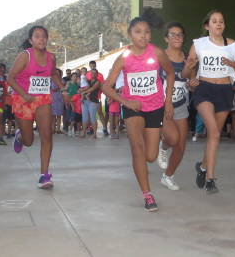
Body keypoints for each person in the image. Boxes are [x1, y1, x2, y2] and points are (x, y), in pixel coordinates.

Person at [102, 13, 175, 212]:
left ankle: (154, 153)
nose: (143, 36)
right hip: (132, 108)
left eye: (147, 32)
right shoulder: (124, 58)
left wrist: (168, 100)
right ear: (130, 35)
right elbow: (106, 87)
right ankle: (147, 195)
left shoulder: (157, 53)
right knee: (137, 148)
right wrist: (126, 101)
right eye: (138, 32)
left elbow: (169, 73)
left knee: (150, 156)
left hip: (155, 107)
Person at [182, 10, 235, 194]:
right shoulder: (199, 44)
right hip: (204, 89)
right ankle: (210, 179)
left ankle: (202, 167)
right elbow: (186, 74)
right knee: (215, 133)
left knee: (214, 135)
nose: (218, 24)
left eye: (221, 21)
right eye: (214, 21)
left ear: (224, 25)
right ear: (207, 26)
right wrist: (190, 67)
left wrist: (234, 65)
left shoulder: (233, 45)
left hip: (225, 91)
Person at [7, 25, 64, 189]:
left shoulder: (51, 57)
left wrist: (62, 87)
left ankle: (44, 175)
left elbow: (53, 73)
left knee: (47, 135)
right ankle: (20, 136)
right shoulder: (25, 56)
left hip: (43, 99)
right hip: (23, 99)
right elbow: (10, 78)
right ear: (31, 40)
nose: (41, 39)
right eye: (37, 36)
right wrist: (25, 95)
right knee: (29, 141)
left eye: (44, 36)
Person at [157, 22, 197, 191]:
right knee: (173, 139)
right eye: (172, 34)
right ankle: (163, 146)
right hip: (161, 105)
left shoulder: (189, 58)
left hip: (180, 104)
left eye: (180, 34)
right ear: (166, 38)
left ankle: (168, 176)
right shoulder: (160, 57)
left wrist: (192, 84)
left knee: (181, 145)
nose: (177, 37)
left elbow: (191, 83)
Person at [80, 68, 102, 139]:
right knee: (84, 117)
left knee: (93, 117)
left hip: (93, 101)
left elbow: (92, 89)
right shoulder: (88, 81)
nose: (93, 74)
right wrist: (81, 90)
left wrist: (83, 91)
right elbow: (83, 86)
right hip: (85, 101)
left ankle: (95, 133)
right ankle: (83, 132)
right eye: (92, 73)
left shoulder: (98, 82)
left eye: (94, 73)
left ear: (97, 74)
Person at [51, 69, 65, 134]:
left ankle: (58, 129)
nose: (56, 74)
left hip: (60, 97)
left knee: (59, 115)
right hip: (53, 97)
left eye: (57, 72)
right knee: (53, 115)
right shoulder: (51, 80)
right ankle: (53, 129)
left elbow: (63, 87)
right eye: (55, 72)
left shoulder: (62, 80)